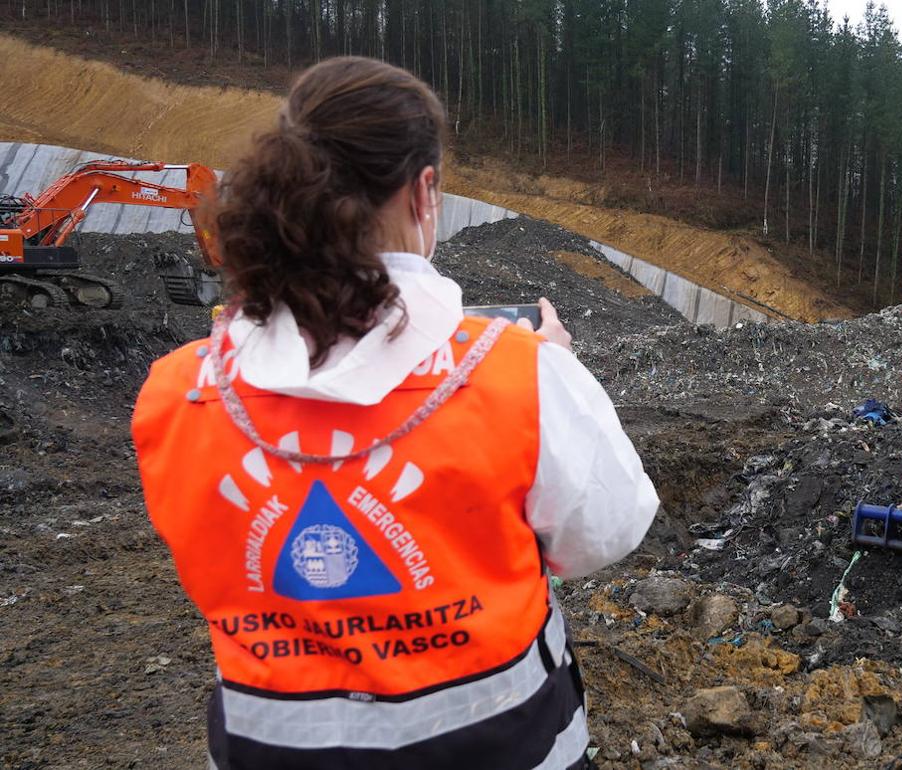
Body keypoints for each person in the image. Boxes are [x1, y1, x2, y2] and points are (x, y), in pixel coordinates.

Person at [131, 57, 658, 770]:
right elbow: (605, 532)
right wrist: (553, 369)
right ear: (425, 191)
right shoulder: (515, 373)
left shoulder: (179, 391)